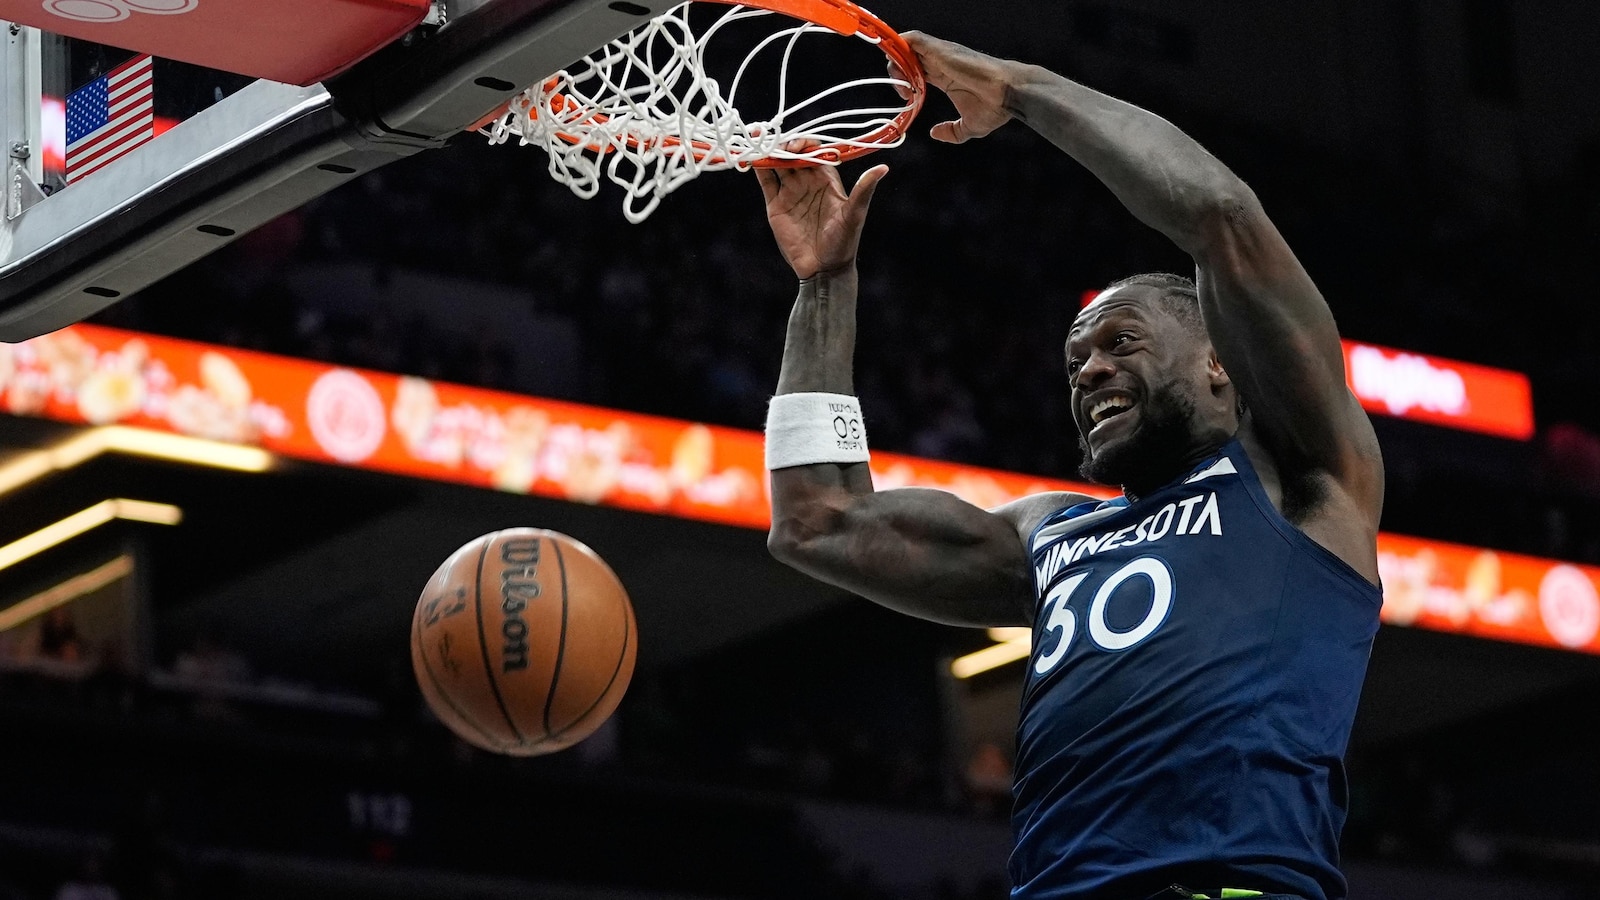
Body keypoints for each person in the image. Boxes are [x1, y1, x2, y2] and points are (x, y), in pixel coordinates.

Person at [756, 31, 1384, 900]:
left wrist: (1019, 89)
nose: (1088, 371)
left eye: (1120, 342)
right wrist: (824, 287)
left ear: (1219, 362)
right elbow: (815, 522)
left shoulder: (1302, 480)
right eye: (1075, 361)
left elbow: (1221, 217)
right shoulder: (1050, 535)